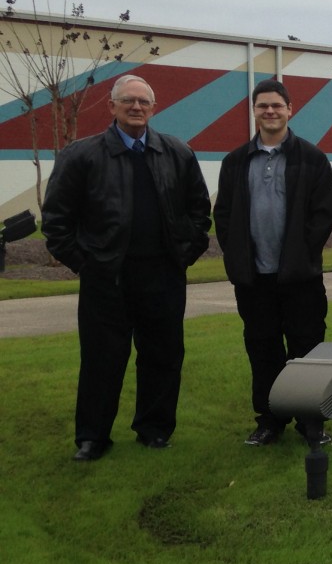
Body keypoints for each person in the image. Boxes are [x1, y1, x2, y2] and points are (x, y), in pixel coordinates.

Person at [42, 74, 211, 461]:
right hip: (106, 278)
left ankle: (154, 430)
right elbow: (56, 220)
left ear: (154, 108)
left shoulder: (177, 152)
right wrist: (85, 265)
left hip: (163, 276)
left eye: (143, 102)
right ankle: (92, 437)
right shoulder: (81, 155)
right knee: (101, 360)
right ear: (112, 106)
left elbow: (199, 211)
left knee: (163, 356)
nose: (136, 107)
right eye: (128, 100)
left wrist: (184, 254)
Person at [214, 78, 332, 447]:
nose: (270, 111)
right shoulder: (236, 161)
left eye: (276, 105)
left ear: (289, 110)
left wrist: (303, 254)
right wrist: (237, 256)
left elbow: (323, 214)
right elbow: (224, 215)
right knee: (263, 350)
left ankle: (311, 422)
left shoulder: (311, 158)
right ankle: (270, 421)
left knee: (307, 350)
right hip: (254, 279)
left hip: (300, 277)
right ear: (254, 111)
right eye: (263, 105)